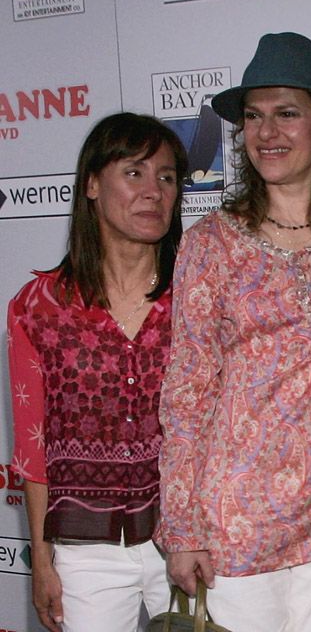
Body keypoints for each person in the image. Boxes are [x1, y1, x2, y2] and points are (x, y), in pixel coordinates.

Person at [157, 32, 311, 632]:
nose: (267, 131)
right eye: (253, 116)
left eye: (287, 113)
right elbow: (187, 391)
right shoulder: (210, 244)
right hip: (234, 520)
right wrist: (183, 526)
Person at [8, 112, 186, 632]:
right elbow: (33, 449)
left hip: (188, 538)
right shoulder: (38, 307)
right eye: (134, 172)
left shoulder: (200, 294)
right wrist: (42, 560)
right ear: (91, 184)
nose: (153, 191)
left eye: (167, 176)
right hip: (83, 551)